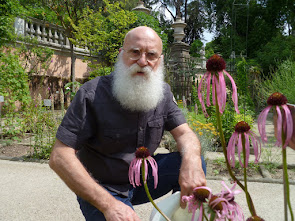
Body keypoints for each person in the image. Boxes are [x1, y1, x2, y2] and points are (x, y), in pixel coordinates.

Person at [49, 26, 207, 221]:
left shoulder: (163, 93)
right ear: (121, 54)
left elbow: (184, 134)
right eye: (135, 52)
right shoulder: (92, 93)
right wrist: (110, 205)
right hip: (103, 187)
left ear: (160, 61)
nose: (142, 61)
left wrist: (192, 161)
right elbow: (59, 155)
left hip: (145, 179)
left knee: (194, 161)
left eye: (151, 55)